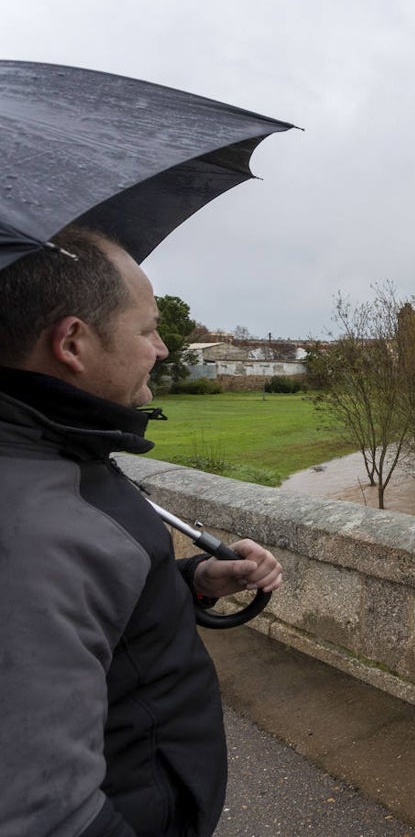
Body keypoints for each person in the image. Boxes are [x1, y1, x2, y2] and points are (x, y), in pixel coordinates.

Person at [0, 225, 283, 837]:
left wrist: (198, 581)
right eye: (147, 328)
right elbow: (47, 817)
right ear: (72, 342)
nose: (160, 348)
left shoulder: (53, 449)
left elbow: (93, 616)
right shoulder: (34, 526)